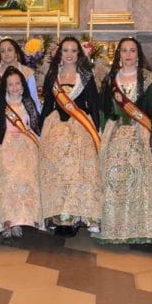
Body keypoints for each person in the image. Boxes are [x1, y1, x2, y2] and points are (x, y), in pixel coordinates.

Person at [94, 37, 152, 244]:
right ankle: (113, 226)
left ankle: (137, 227)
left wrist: (150, 134)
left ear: (138, 54)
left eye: (132, 51)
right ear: (119, 55)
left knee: (137, 179)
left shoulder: (148, 79)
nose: (128, 55)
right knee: (113, 179)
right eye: (124, 51)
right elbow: (104, 110)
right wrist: (105, 133)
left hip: (140, 133)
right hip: (115, 134)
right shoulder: (110, 80)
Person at [38, 36, 102, 236]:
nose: (69, 55)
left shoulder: (85, 75)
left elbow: (94, 103)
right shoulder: (52, 75)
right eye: (65, 50)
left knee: (79, 170)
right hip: (56, 126)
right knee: (56, 170)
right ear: (59, 53)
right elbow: (48, 104)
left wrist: (97, 130)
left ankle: (81, 216)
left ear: (79, 54)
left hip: (80, 125)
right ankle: (60, 218)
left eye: (73, 51)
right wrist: (40, 130)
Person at [0, 66, 42, 238]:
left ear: (23, 85)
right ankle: (8, 220)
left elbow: (36, 128)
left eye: (17, 84)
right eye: (11, 85)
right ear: (5, 87)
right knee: (7, 179)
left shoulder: (28, 103)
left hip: (26, 146)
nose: (15, 87)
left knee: (26, 177)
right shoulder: (0, 105)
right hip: (4, 146)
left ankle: (24, 218)